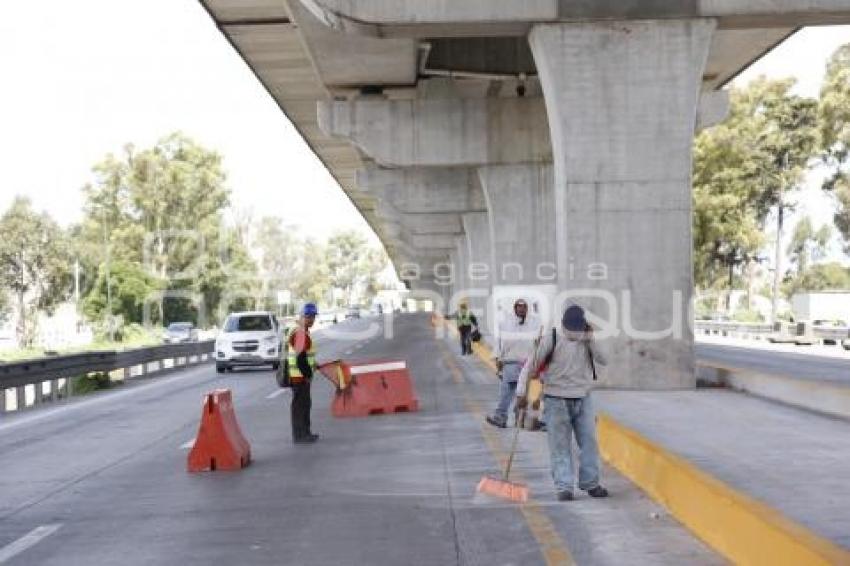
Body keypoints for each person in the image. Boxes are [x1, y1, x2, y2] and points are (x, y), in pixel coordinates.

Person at [516, 305, 609, 501]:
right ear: (564, 325)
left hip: (583, 397)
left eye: (577, 330)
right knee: (560, 445)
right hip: (556, 399)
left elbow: (604, 360)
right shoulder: (553, 338)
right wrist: (521, 393)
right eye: (570, 330)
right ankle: (564, 486)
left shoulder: (586, 339)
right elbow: (530, 366)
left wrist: (591, 339)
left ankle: (590, 483)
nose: (573, 334)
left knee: (590, 442)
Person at [485, 299, 541, 428]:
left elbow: (538, 341)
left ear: (527, 309)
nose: (521, 309)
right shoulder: (506, 323)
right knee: (509, 391)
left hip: (526, 363)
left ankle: (515, 418)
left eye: (524, 307)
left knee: (520, 393)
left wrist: (536, 363)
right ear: (514, 308)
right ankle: (507, 417)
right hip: (510, 362)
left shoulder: (533, 323)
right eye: (519, 307)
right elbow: (499, 341)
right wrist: (498, 359)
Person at [287, 303, 320, 444]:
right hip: (299, 378)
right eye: (309, 316)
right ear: (302, 316)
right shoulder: (300, 332)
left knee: (304, 405)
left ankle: (305, 433)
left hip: (300, 376)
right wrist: (307, 375)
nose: (312, 320)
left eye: (313, 317)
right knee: (301, 406)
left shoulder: (302, 331)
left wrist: (313, 365)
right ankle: (300, 435)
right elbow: (300, 358)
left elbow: (304, 356)